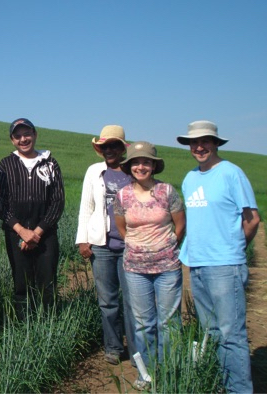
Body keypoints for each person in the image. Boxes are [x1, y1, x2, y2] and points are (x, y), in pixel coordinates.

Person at [177, 120, 259, 394]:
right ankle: (218, 384)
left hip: (225, 265)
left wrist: (234, 247)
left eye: (205, 141)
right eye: (194, 142)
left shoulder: (231, 173)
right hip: (198, 265)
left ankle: (239, 390)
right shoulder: (189, 178)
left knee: (231, 335)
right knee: (210, 332)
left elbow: (252, 219)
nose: (199, 147)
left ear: (215, 143)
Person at [113, 142, 185, 389]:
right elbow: (123, 228)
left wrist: (164, 246)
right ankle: (148, 372)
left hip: (167, 266)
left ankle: (171, 369)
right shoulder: (123, 196)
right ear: (129, 166)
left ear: (154, 166)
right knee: (143, 322)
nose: (140, 166)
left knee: (169, 321)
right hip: (135, 269)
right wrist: (139, 247)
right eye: (135, 162)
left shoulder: (167, 192)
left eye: (145, 162)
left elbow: (180, 225)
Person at [75, 125, 137, 366]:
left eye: (114, 146)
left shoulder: (134, 170)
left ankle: (136, 349)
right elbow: (86, 206)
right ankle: (112, 347)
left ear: (123, 148)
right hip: (101, 245)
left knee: (133, 301)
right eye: (105, 147)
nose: (109, 150)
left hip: (131, 245)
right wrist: (83, 239)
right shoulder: (94, 171)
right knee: (107, 300)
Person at [0, 118, 65, 320]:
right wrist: (22, 231)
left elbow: (58, 201)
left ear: (35, 135)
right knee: (21, 283)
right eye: (18, 136)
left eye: (27, 134)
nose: (23, 139)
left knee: (47, 283)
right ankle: (24, 327)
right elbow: (0, 203)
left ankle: (49, 326)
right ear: (12, 140)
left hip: (46, 234)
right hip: (16, 233)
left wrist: (37, 232)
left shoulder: (50, 163)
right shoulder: (5, 165)